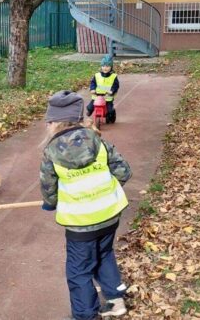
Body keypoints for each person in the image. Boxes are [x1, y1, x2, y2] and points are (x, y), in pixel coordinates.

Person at [39, 91, 132, 319]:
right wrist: (104, 189)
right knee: (104, 253)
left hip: (80, 224)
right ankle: (116, 299)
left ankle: (85, 315)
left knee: (79, 271)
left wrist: (51, 203)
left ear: (52, 123)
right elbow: (124, 171)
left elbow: (49, 188)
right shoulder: (98, 141)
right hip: (109, 214)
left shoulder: (51, 152)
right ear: (79, 118)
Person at [86, 55, 119, 121]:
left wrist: (112, 91)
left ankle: (111, 116)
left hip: (107, 97)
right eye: (103, 66)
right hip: (96, 96)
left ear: (111, 67)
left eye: (107, 66)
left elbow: (116, 85)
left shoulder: (113, 76)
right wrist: (92, 89)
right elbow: (93, 83)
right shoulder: (97, 75)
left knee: (110, 110)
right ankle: (90, 111)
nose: (105, 68)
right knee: (90, 107)